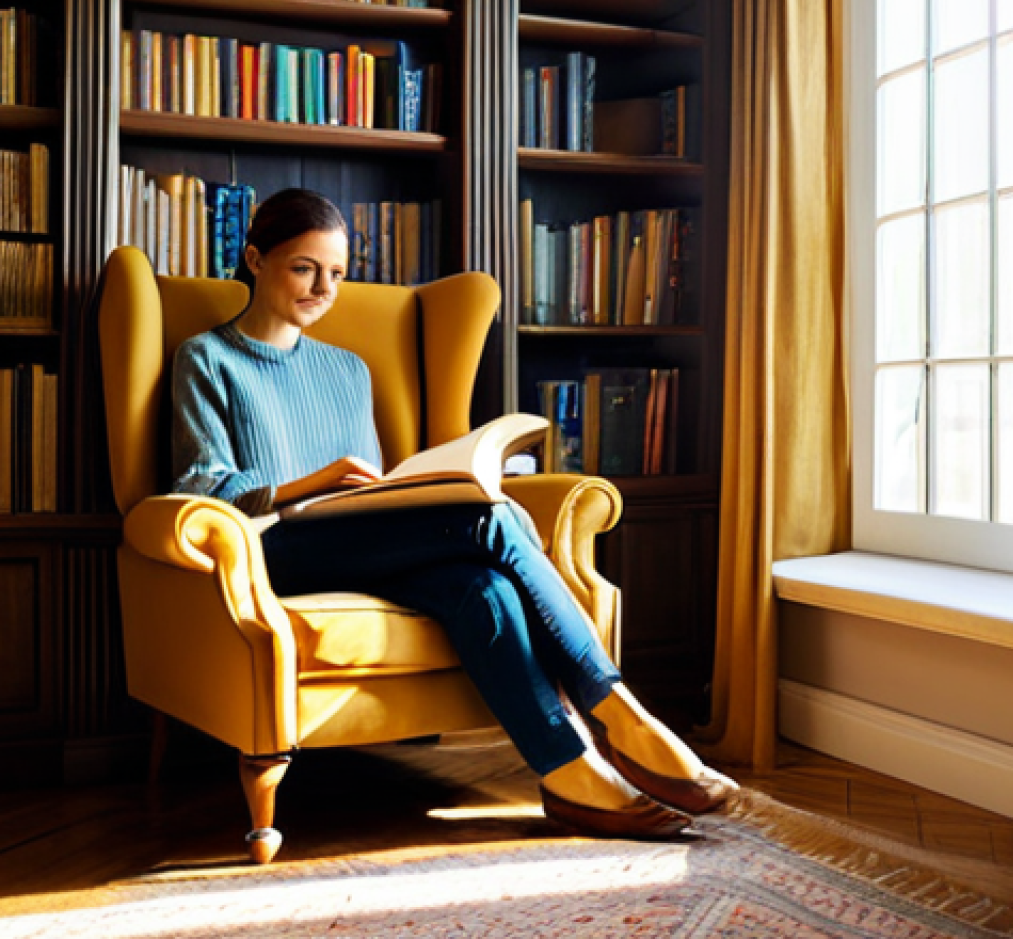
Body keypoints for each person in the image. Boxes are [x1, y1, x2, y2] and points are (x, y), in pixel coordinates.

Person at [171, 188, 738, 841]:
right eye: (304, 268)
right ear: (254, 259)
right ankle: (623, 715)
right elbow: (202, 487)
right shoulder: (205, 359)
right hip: (273, 550)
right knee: (492, 522)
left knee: (484, 586)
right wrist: (311, 481)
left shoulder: (347, 370)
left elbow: (368, 488)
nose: (321, 288)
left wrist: (392, 489)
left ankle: (569, 774)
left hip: (361, 539)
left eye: (336, 274)